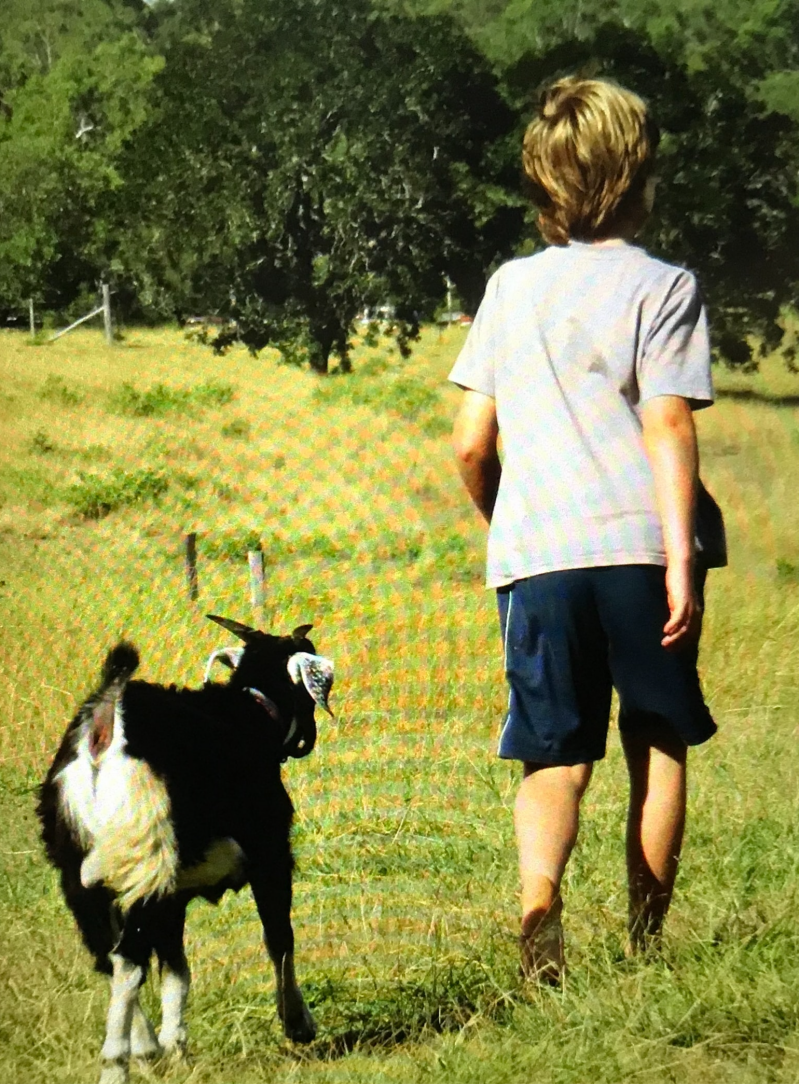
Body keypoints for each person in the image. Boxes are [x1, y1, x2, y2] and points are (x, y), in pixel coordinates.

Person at [449, 76, 718, 981]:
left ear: (543, 180)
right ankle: (643, 952)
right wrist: (680, 559)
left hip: (538, 559)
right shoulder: (664, 285)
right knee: (656, 740)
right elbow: (668, 424)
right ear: (638, 175)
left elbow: (468, 444)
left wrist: (509, 526)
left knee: (551, 751)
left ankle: (538, 916)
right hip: (641, 552)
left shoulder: (508, 287)